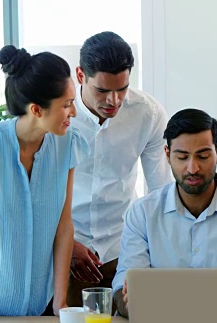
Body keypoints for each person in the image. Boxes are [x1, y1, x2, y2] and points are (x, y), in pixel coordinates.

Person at [0, 45, 87, 323]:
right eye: (66, 104)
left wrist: (60, 303)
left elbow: (64, 226)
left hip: (44, 306)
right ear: (37, 109)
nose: (73, 111)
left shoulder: (67, 146)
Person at [112, 108, 217, 321]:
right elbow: (124, 283)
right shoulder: (142, 213)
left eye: (202, 156)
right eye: (182, 157)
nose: (192, 168)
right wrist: (130, 302)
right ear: (167, 155)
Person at [67, 31, 172, 308]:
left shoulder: (147, 113)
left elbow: (160, 191)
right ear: (80, 76)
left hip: (122, 247)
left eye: (122, 88)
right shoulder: (60, 114)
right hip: (65, 249)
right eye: (102, 90)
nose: (113, 100)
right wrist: (65, 244)